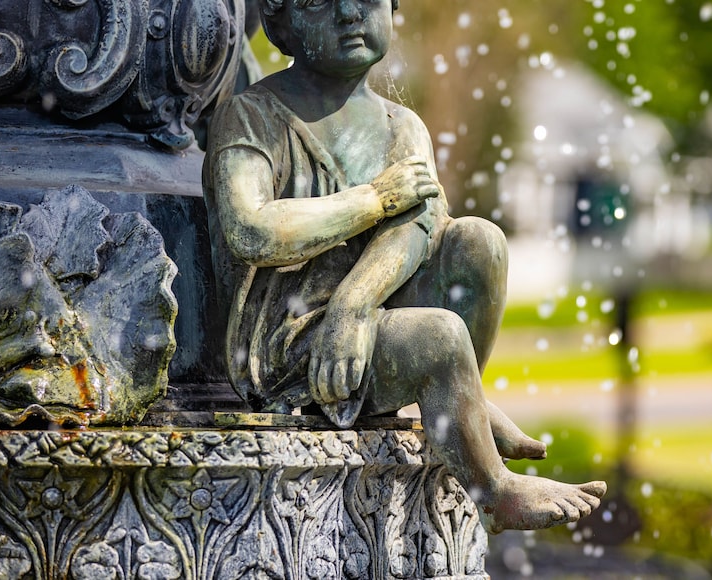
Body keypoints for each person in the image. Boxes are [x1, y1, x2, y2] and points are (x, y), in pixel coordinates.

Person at [202, 0, 605, 532]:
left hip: (365, 318)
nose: (349, 13)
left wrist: (355, 303)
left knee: (480, 241)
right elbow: (250, 230)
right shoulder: (253, 115)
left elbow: (417, 227)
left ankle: (465, 401)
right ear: (278, 22)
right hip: (290, 343)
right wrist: (371, 200)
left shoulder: (402, 125)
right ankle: (492, 489)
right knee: (438, 337)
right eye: (320, 2)